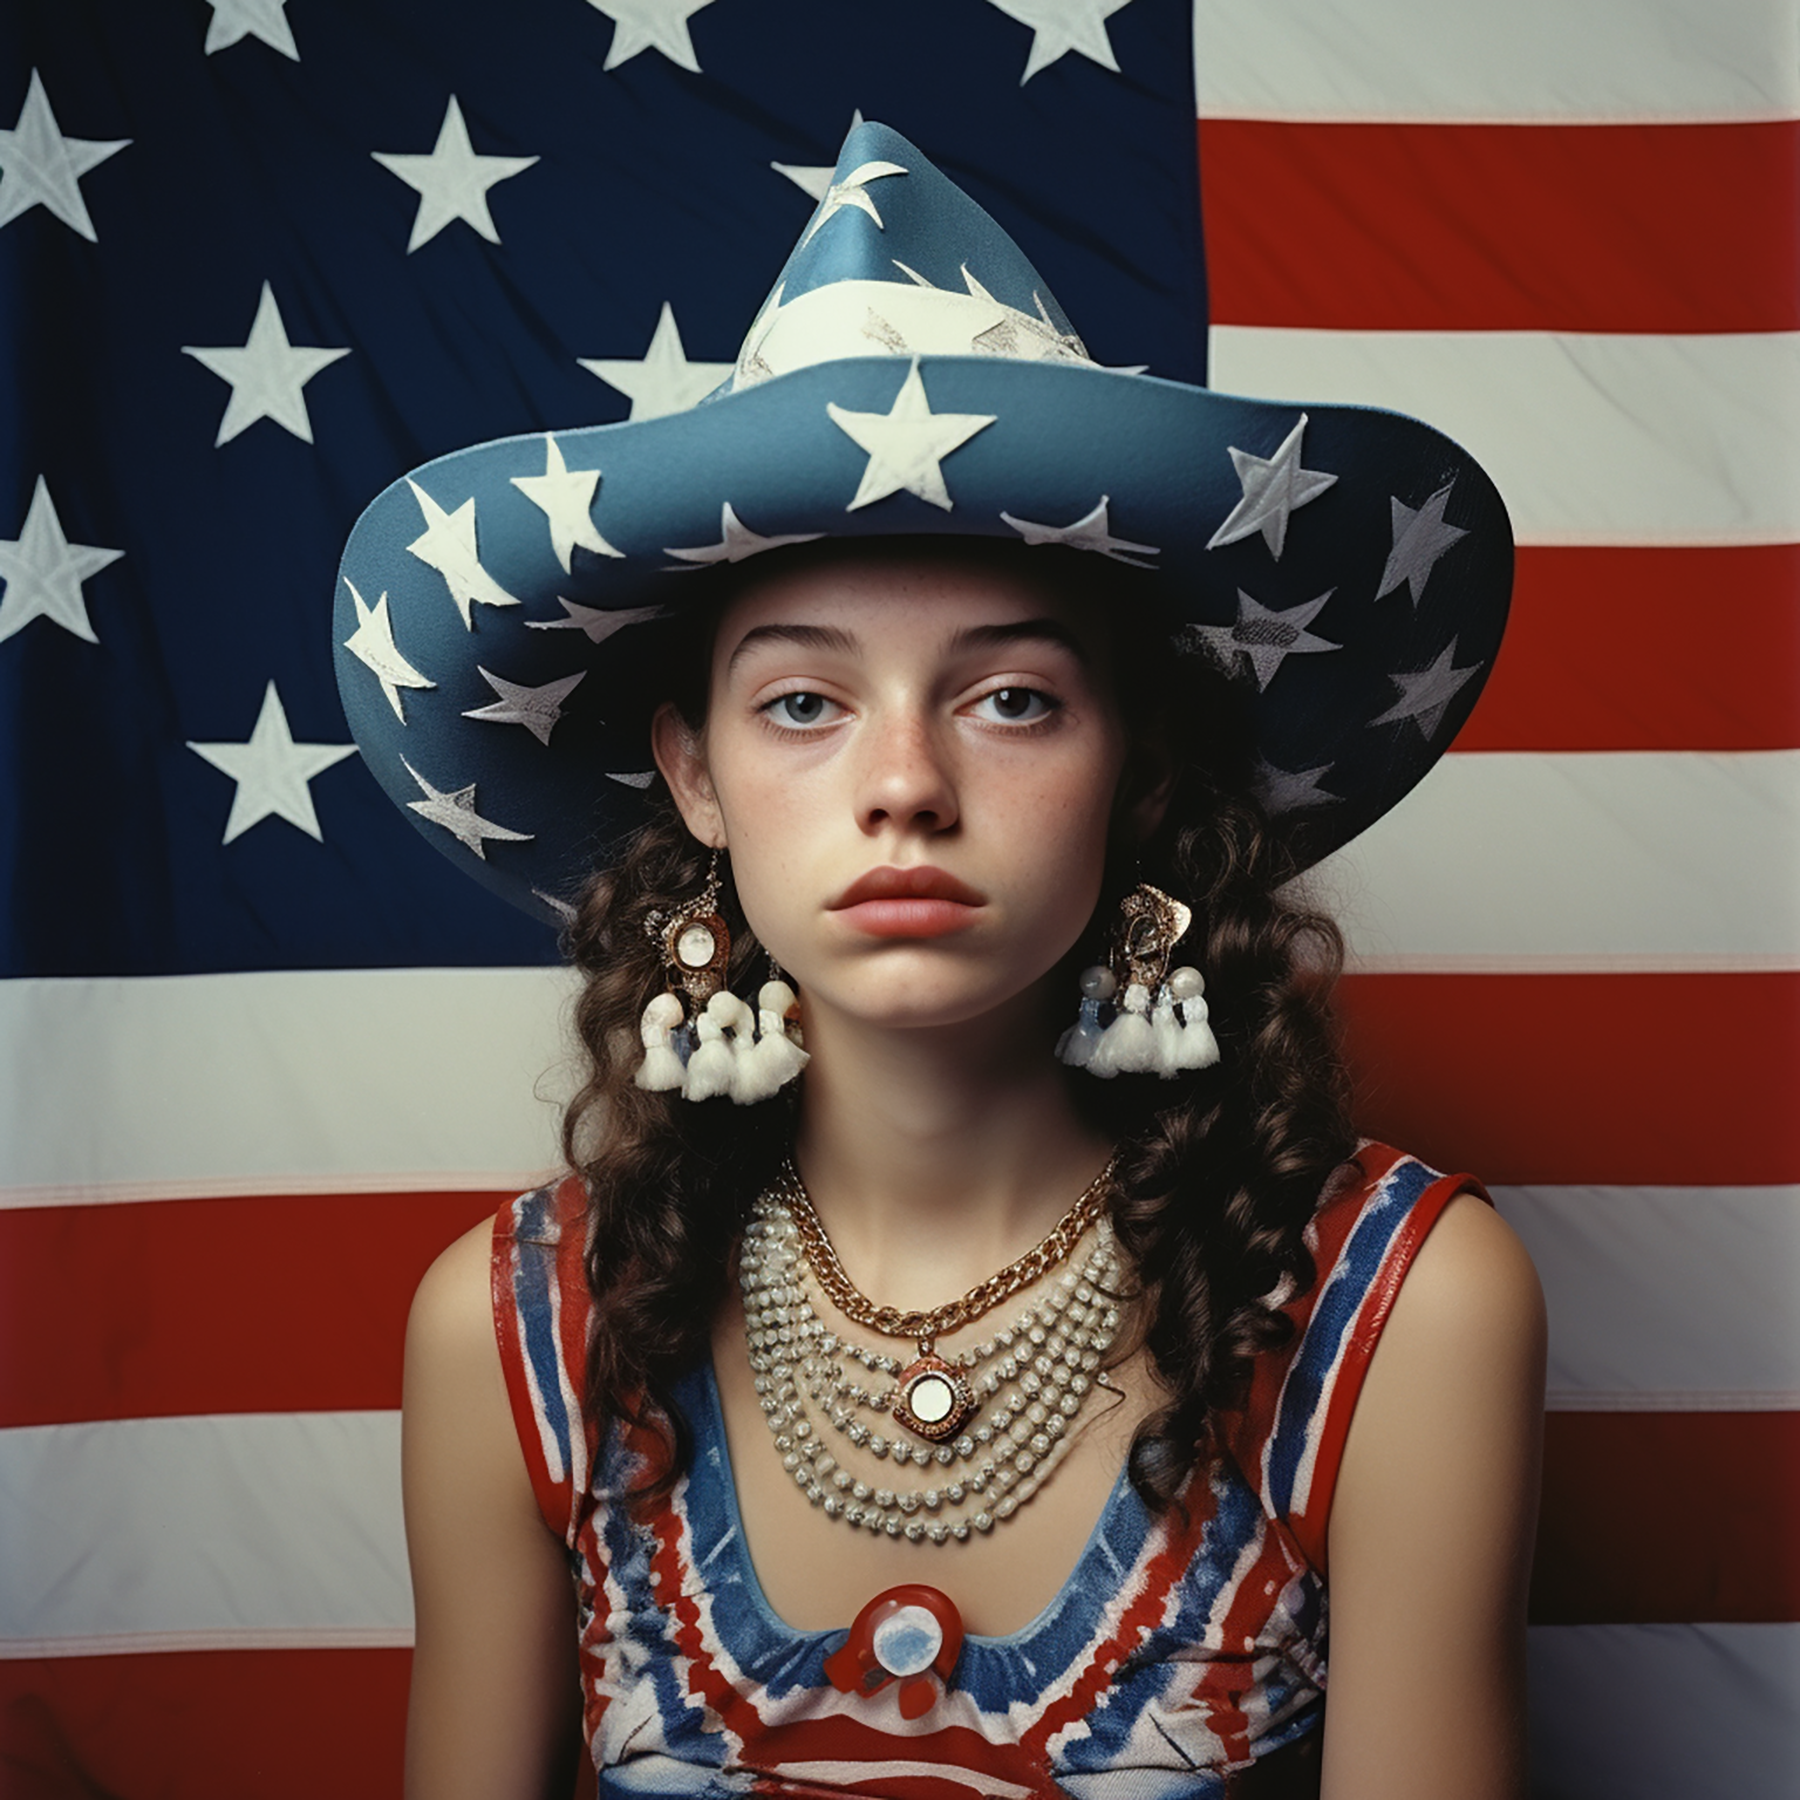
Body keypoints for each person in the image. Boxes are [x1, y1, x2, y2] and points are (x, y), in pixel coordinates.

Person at [336, 123, 1545, 1799]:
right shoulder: (511, 1336)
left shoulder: (1406, 1315)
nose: (905, 784)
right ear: (695, 774)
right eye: (805, 703)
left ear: (1138, 763)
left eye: (1013, 697)